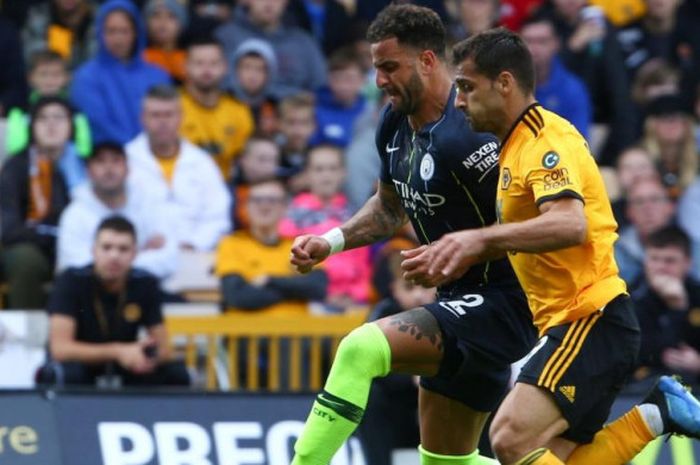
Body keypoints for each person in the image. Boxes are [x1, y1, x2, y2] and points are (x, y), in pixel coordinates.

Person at [411, 27, 700, 465]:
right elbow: (529, 234)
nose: (460, 101)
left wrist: (478, 238)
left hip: (589, 317)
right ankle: (655, 417)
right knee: (557, 457)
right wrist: (459, 252)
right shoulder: (511, 148)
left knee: (508, 438)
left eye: (468, 87)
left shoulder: (546, 139)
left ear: (504, 83)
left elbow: (569, 224)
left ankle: (658, 415)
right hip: (574, 323)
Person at [289, 5, 538, 465]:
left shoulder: (468, 134)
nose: (379, 79)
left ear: (427, 60)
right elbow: (388, 207)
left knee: (359, 348)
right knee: (445, 461)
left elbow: (530, 220)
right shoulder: (393, 123)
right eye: (375, 68)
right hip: (456, 300)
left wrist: (467, 247)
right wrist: (332, 241)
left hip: (507, 303)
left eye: (389, 67)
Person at [38, 216, 190, 387]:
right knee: (70, 373)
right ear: (93, 251)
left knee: (175, 373)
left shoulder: (144, 283)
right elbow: (60, 349)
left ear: (134, 254)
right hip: (81, 364)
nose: (114, 256)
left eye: (123, 249)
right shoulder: (71, 280)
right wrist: (118, 351)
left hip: (125, 365)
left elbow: (164, 350)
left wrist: (147, 356)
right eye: (107, 247)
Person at [126, 84, 230, 252]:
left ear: (181, 117)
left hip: (195, 257)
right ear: (142, 118)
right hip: (139, 258)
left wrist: (193, 244)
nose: (162, 122)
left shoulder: (202, 163)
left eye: (168, 115)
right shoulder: (126, 161)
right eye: (155, 115)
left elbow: (218, 216)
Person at [57, 142, 178, 280]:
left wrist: (107, 261)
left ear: (128, 169)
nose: (109, 168)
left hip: (142, 291)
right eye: (100, 161)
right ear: (88, 171)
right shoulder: (74, 215)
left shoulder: (149, 206)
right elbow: (74, 267)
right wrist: (138, 253)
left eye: (116, 161)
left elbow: (170, 261)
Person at [0, 97, 75, 309]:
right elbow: (10, 229)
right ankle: (29, 335)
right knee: (25, 260)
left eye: (59, 118)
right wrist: (50, 238)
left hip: (81, 244)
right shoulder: (16, 166)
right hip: (34, 245)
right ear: (31, 126)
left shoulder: (88, 165)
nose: (51, 124)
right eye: (43, 118)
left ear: (71, 125)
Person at [280, 144, 371, 311]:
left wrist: (356, 295)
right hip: (308, 301)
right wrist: (324, 294)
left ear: (343, 173)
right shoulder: (292, 214)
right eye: (319, 169)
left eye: (332, 168)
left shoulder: (354, 213)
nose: (326, 175)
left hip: (352, 303)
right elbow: (286, 262)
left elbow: (362, 264)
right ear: (307, 174)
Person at [216, 178, 327, 315]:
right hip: (249, 334)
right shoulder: (232, 244)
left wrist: (270, 280)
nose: (264, 206)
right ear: (246, 206)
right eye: (257, 200)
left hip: (297, 334)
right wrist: (295, 290)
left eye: (272, 200)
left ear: (285, 208)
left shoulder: (300, 245)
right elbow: (238, 297)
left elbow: (318, 287)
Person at [70, 0, 170, 145]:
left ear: (136, 33)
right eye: (111, 31)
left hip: (153, 160)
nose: (118, 39)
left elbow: (165, 120)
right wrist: (135, 152)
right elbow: (99, 124)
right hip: (108, 160)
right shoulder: (85, 77)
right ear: (100, 32)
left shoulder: (158, 76)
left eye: (125, 31)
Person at [215, 0, 327, 97]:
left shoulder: (303, 42)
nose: (269, 3)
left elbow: (321, 88)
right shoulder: (225, 37)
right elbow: (217, 82)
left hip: (292, 116)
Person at [632, 226, 700, 384]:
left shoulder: (697, 295)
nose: (660, 267)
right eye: (654, 259)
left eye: (670, 260)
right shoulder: (628, 296)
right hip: (637, 391)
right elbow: (628, 352)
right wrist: (677, 308)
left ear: (687, 263)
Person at [180, 37, 255, 179]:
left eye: (214, 63)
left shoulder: (239, 111)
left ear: (225, 67)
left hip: (225, 186)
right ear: (185, 66)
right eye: (199, 63)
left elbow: (242, 162)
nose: (207, 70)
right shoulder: (172, 108)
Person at [520, 14, 591, 140]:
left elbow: (579, 141)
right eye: (528, 41)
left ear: (556, 44)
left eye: (542, 41)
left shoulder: (572, 89)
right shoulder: (504, 84)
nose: (534, 49)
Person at [142, 0, 188, 84]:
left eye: (171, 16)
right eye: (156, 16)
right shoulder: (139, 59)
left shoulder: (188, 60)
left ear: (181, 25)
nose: (163, 23)